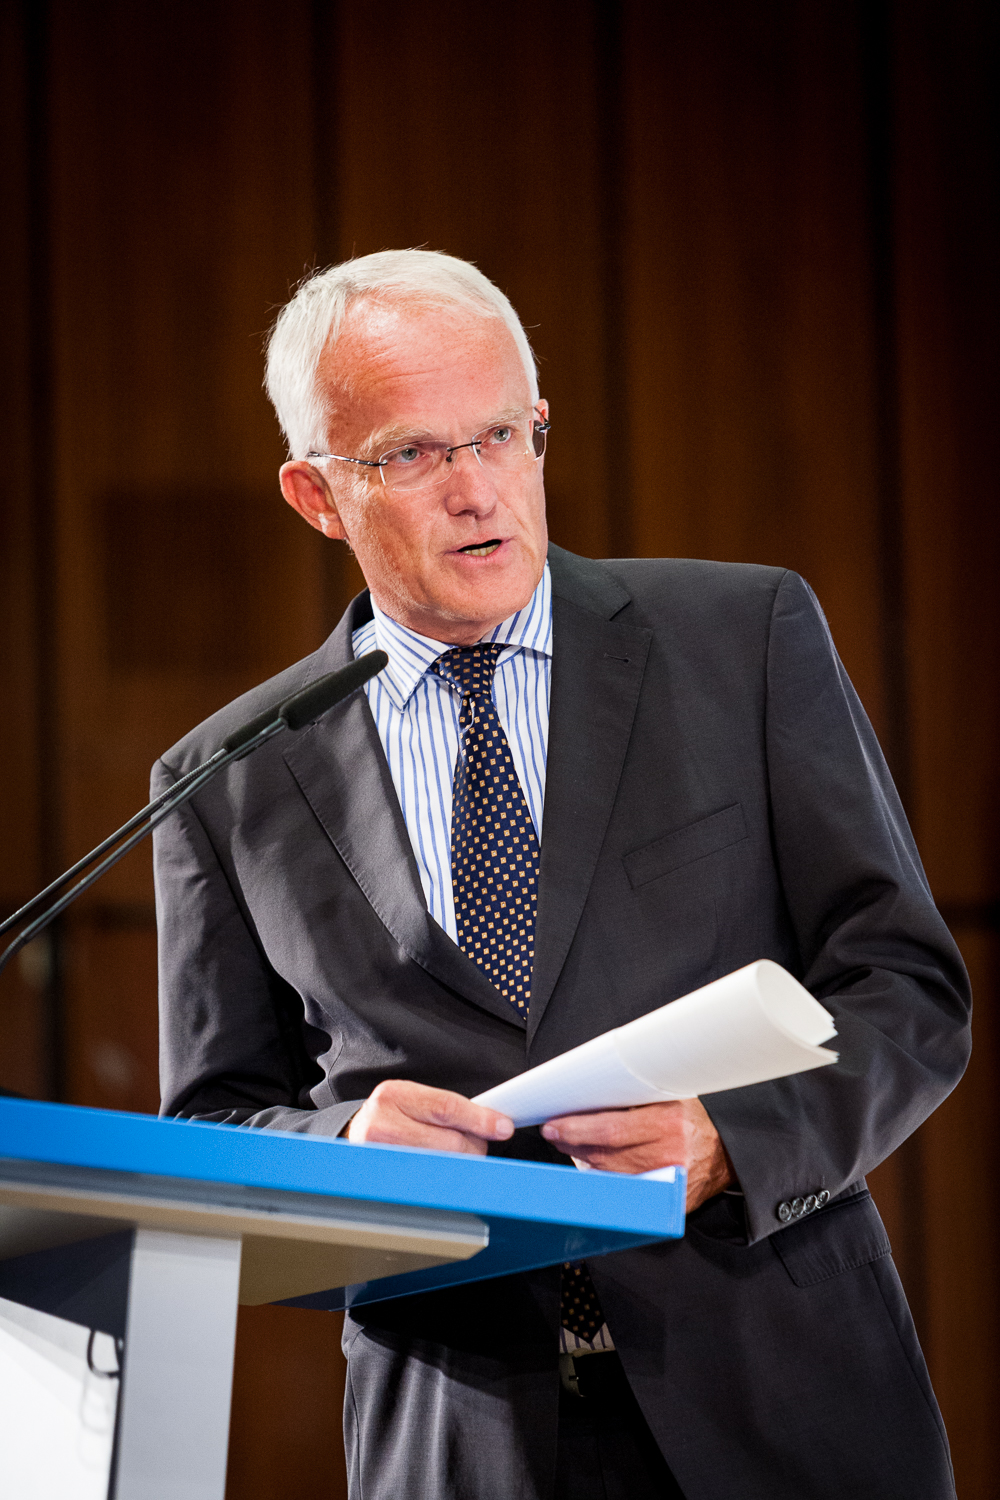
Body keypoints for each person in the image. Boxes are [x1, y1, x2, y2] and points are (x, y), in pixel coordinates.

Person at [154, 249, 970, 1499]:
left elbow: (905, 988)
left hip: (784, 1395)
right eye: (413, 454)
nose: (476, 488)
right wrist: (346, 1151)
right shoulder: (228, 776)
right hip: (461, 1433)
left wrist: (733, 1142)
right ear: (317, 494)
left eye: (501, 434)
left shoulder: (742, 640)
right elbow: (211, 1132)